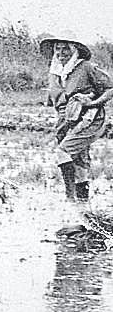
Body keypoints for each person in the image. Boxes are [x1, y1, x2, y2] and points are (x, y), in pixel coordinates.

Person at [40, 33, 113, 202]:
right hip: (66, 121)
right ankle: (82, 206)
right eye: (58, 49)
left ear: (75, 50)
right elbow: (54, 99)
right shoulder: (54, 72)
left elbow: (110, 88)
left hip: (89, 118)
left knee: (62, 153)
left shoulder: (86, 67)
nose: (61, 53)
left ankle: (70, 198)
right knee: (79, 163)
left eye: (66, 48)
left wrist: (93, 103)